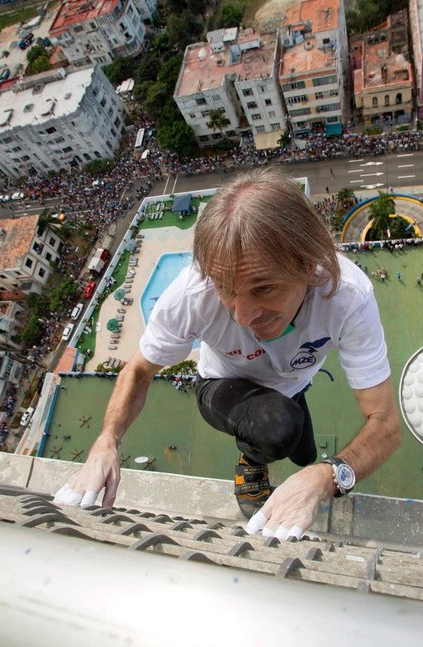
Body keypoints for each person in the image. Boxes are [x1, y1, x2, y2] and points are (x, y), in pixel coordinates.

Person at [53, 168, 402, 540]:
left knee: (304, 454)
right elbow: (139, 370)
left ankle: (280, 445)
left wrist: (326, 475)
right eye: (226, 288)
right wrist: (106, 441)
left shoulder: (347, 296)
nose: (242, 315)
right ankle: (251, 460)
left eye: (264, 288)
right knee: (275, 427)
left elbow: (385, 422)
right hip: (222, 384)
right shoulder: (191, 295)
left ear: (307, 264)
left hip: (291, 386)